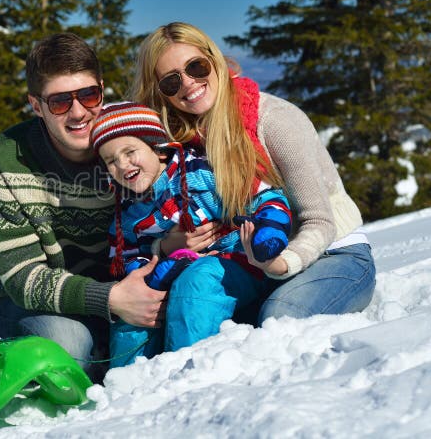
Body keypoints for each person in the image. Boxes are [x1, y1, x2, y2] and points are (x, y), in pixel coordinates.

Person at [129, 22, 376, 325]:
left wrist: (280, 263)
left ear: (214, 60)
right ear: (161, 93)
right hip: (253, 266)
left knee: (279, 318)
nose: (189, 84)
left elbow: (319, 221)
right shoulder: (180, 144)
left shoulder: (273, 121)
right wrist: (167, 246)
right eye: (171, 81)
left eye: (196, 67)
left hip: (333, 254)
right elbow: (145, 223)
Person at [0, 33, 167, 382]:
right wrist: (110, 299)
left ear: (102, 90)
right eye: (61, 102)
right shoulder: (5, 159)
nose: (79, 113)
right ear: (37, 106)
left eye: (89, 95)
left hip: (121, 286)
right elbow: (21, 278)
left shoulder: (127, 144)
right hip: (31, 298)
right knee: (70, 349)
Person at [90, 101, 292, 367]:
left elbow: (264, 195)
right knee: (134, 306)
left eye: (130, 152)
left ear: (159, 150)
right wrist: (149, 272)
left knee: (197, 279)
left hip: (235, 263)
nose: (122, 165)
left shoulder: (200, 172)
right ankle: (125, 384)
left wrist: (268, 230)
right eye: (111, 161)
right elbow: (125, 257)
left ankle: (185, 372)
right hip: (171, 274)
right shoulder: (127, 212)